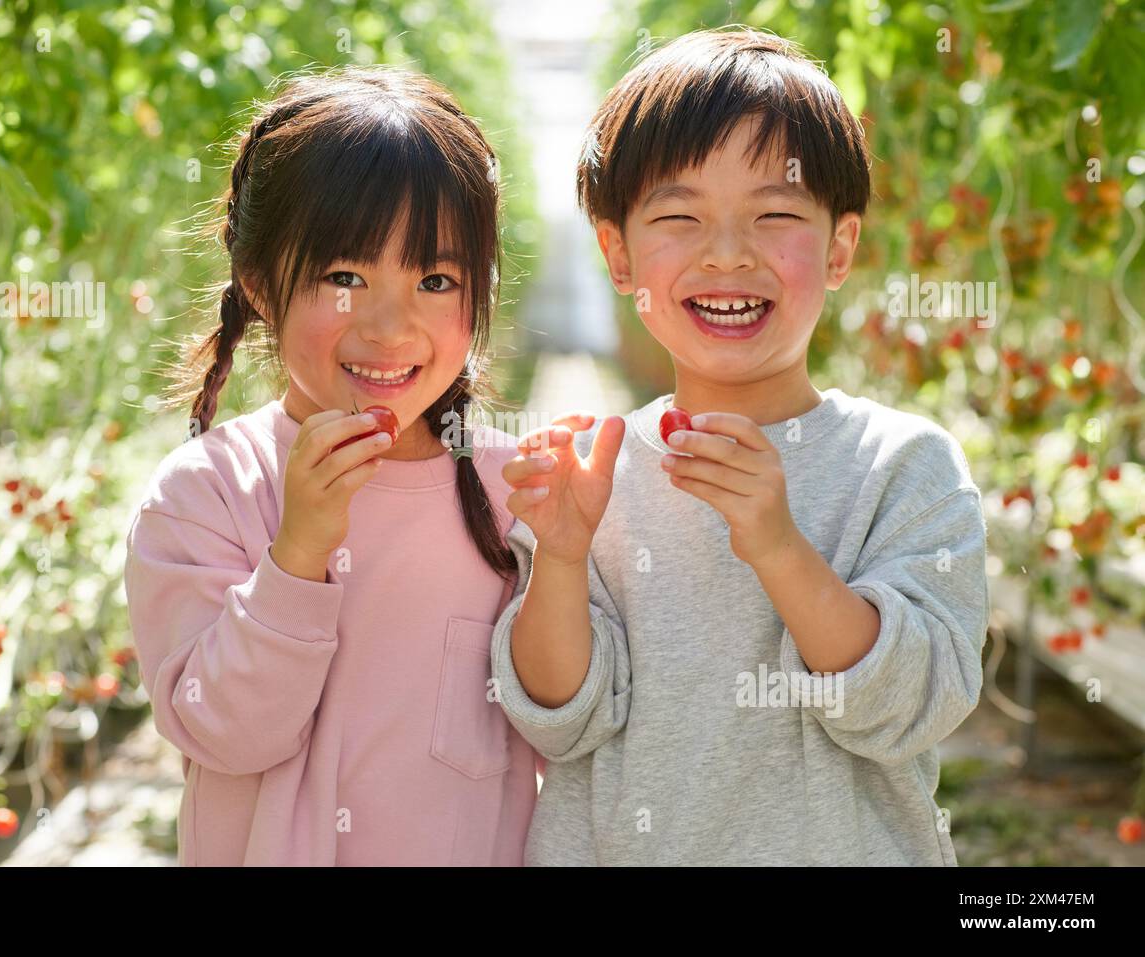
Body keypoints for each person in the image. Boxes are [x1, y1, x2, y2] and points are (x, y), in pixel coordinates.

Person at [494, 28, 989, 865]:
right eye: (680, 217)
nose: (728, 253)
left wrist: (780, 547)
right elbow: (557, 714)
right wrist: (563, 555)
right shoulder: (594, 478)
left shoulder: (905, 466)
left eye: (775, 214)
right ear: (618, 253)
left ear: (839, 249)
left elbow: (911, 702)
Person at [124, 66, 536, 865]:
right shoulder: (207, 494)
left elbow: (563, 719)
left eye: (436, 279)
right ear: (260, 285)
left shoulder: (509, 491)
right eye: (344, 278)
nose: (390, 326)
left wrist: (572, 551)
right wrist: (297, 555)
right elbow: (225, 732)